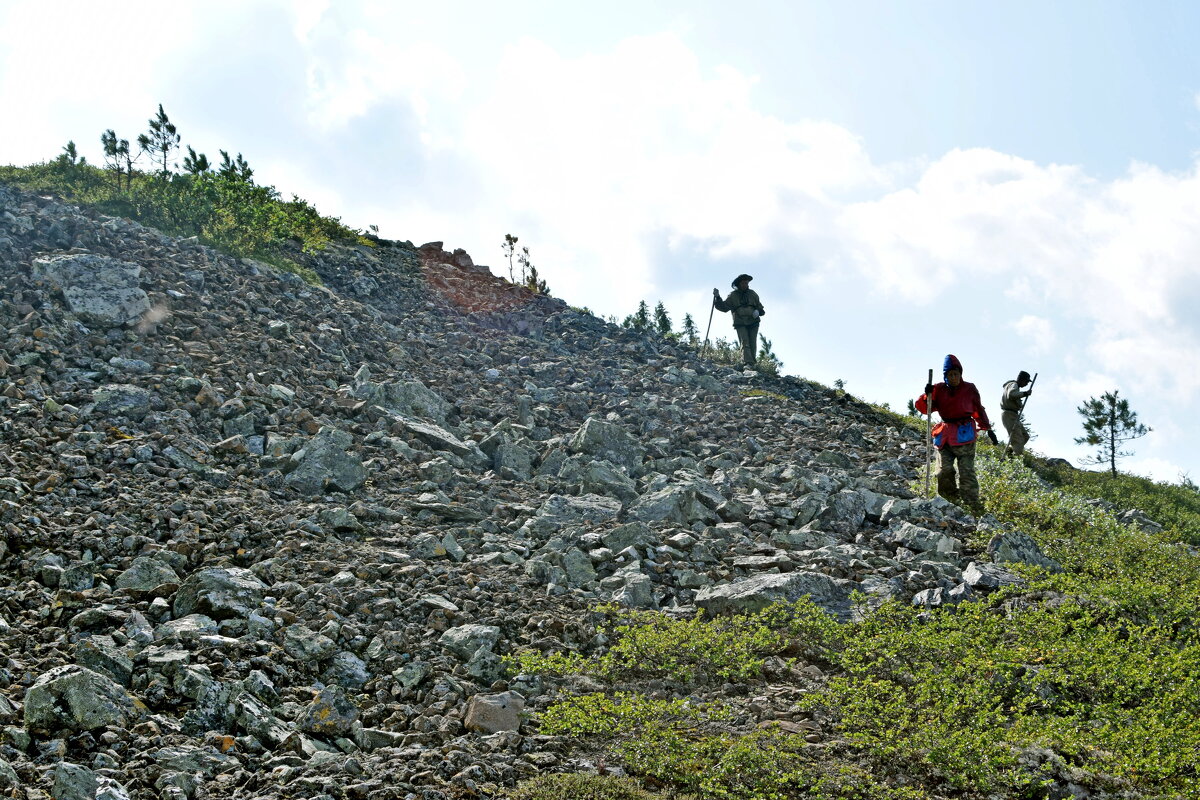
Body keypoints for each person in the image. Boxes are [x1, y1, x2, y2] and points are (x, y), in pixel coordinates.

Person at [915, 354, 998, 514]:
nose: (954, 378)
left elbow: (978, 409)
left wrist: (987, 428)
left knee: (966, 472)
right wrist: (927, 395)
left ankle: (972, 506)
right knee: (943, 471)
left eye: (956, 374)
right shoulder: (938, 389)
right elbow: (925, 408)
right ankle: (949, 501)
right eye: (950, 375)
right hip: (945, 435)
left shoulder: (970, 389)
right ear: (945, 376)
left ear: (961, 374)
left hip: (965, 434)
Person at [713, 274, 765, 367]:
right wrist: (717, 297)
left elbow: (760, 307)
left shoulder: (753, 294)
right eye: (743, 283)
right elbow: (724, 307)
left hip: (753, 322)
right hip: (740, 322)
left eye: (746, 282)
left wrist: (758, 311)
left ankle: (753, 363)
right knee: (744, 341)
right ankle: (747, 362)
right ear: (739, 284)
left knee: (753, 342)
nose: (745, 284)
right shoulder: (733, 295)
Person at [1000, 370, 1034, 457]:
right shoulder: (1013, 385)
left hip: (1013, 415)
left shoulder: (1015, 387)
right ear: (1022, 380)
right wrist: (1025, 393)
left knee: (1025, 436)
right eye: (1026, 381)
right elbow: (1011, 394)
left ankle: (1009, 453)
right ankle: (1013, 461)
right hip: (1009, 414)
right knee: (1018, 440)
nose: (1027, 384)